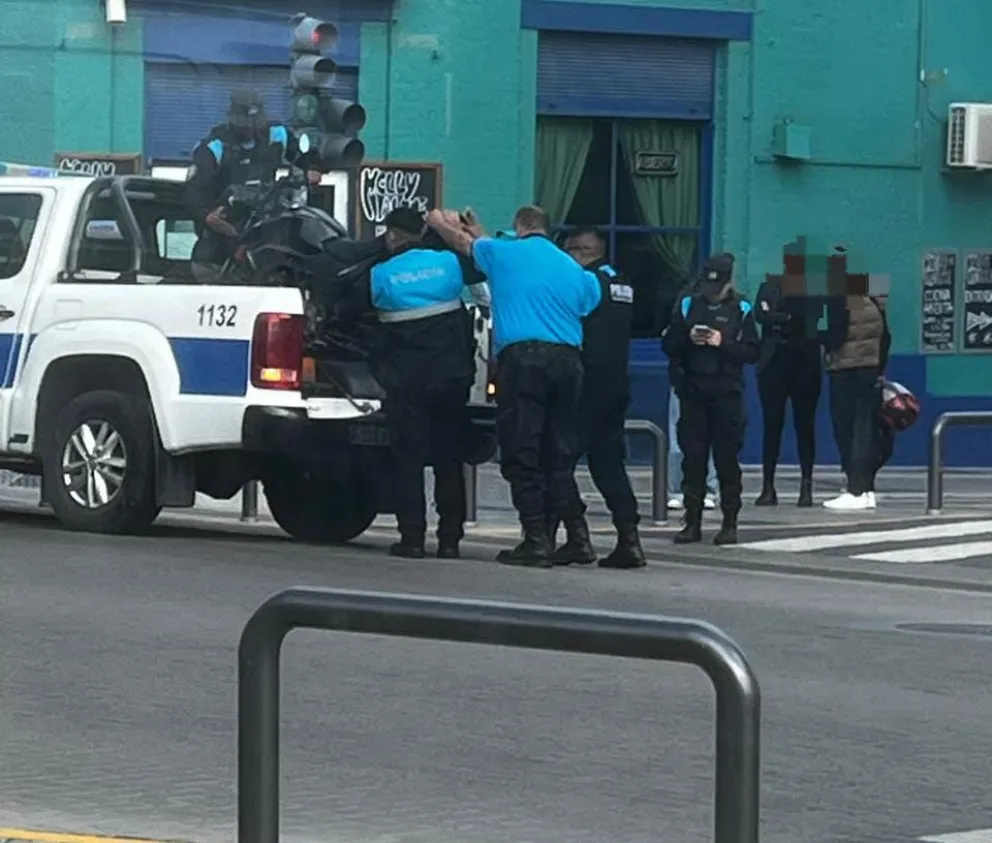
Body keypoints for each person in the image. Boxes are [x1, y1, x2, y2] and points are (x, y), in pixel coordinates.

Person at [427, 205, 602, 568]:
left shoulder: (504, 254)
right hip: (569, 361)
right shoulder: (573, 268)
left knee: (522, 452)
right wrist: (478, 230)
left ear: (519, 227)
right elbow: (589, 302)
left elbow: (463, 244)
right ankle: (578, 537)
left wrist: (438, 222)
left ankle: (536, 540)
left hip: (524, 361)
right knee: (559, 454)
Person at [345, 207, 479, 558]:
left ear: (391, 236)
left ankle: (412, 538)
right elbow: (480, 266)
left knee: (408, 460)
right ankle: (450, 541)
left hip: (407, 382)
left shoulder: (380, 275)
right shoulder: (448, 263)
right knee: (450, 459)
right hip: (452, 377)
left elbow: (351, 311)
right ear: (421, 233)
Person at [552, 226, 646, 569]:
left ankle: (576, 537)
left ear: (581, 251)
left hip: (584, 385)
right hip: (615, 385)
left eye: (568, 252)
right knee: (608, 465)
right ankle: (629, 539)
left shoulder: (586, 282)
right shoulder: (621, 282)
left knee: (557, 461)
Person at [662, 253, 760, 545]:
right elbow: (668, 344)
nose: (711, 292)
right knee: (693, 459)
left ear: (728, 283)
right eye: (707, 285)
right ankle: (691, 522)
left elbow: (752, 352)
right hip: (693, 392)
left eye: (717, 287)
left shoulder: (741, 308)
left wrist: (722, 343)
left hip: (726, 393)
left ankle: (729, 522)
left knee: (726, 460)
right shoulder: (688, 304)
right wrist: (688, 338)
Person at [185, 89, 321, 273]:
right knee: (208, 268)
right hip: (224, 233)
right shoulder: (214, 147)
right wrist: (208, 216)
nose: (250, 129)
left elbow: (305, 157)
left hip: (265, 227)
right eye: (245, 123)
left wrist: (312, 168)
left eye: (256, 122)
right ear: (232, 117)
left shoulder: (277, 134)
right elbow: (193, 192)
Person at [820, 247, 891, 511]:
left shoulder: (838, 295)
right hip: (870, 369)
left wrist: (819, 340)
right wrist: (879, 367)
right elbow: (886, 336)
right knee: (867, 429)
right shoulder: (873, 296)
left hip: (845, 368)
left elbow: (836, 334)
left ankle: (855, 489)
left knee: (848, 430)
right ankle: (867, 488)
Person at [753, 248, 824, 507]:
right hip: (773, 363)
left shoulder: (813, 291)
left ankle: (806, 486)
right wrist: (784, 318)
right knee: (772, 425)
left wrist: (778, 318)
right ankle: (767, 486)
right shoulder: (769, 286)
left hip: (805, 365)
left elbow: (807, 319)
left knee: (805, 425)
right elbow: (760, 315)